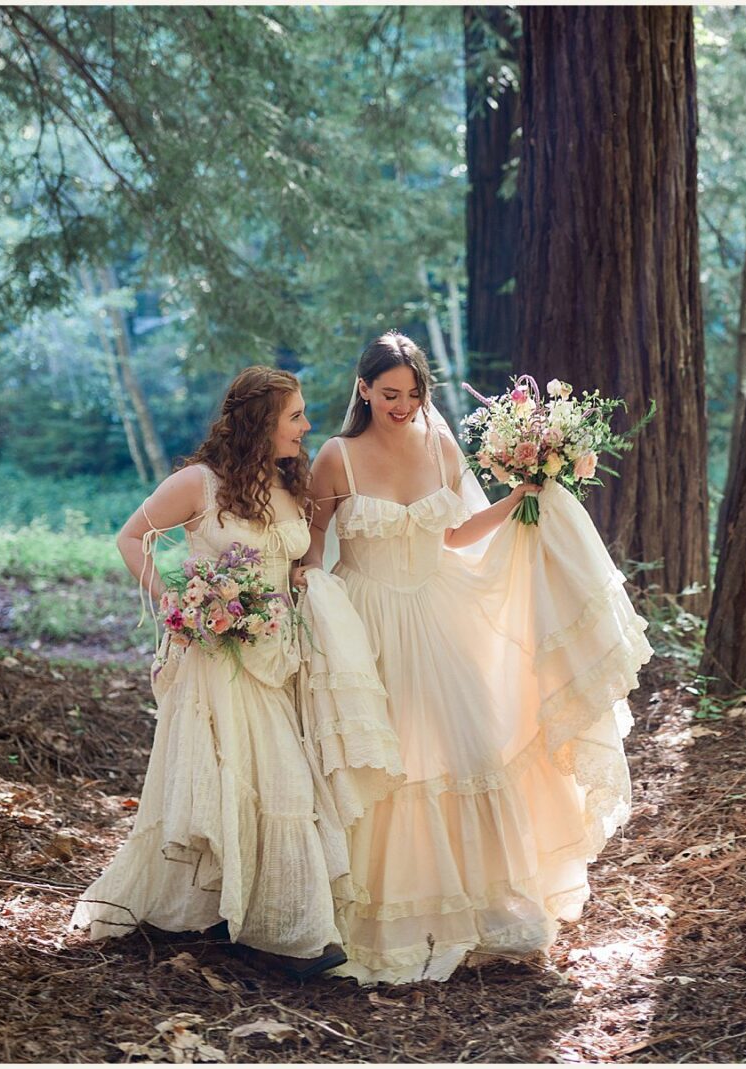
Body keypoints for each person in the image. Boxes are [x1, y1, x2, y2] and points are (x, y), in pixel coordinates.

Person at [298, 332, 650, 984]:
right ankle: (375, 917)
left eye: (413, 394)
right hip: (366, 618)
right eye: (388, 394)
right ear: (364, 389)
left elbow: (457, 531)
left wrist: (521, 498)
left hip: (436, 610)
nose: (401, 406)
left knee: (466, 751)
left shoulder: (439, 444)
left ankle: (479, 906)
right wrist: (312, 616)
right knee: (387, 763)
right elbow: (314, 546)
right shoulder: (335, 457)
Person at [71, 365, 397, 981]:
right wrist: (176, 604)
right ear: (260, 421)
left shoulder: (286, 483)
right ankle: (286, 933)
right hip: (217, 658)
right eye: (295, 415)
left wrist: (301, 576)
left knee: (272, 778)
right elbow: (132, 537)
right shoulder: (199, 483)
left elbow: (298, 552)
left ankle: (237, 908)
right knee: (264, 778)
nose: (306, 425)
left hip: (280, 655)